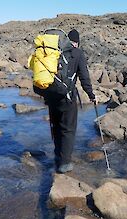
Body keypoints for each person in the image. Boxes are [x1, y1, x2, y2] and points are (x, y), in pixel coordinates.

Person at [46, 29, 96, 173]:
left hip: (51, 96)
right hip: (67, 97)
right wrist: (91, 95)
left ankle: (57, 156)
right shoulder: (78, 53)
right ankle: (65, 163)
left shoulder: (56, 51)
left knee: (55, 126)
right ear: (78, 42)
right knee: (68, 129)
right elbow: (84, 77)